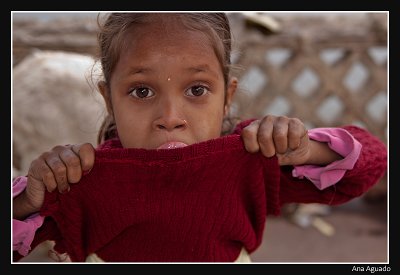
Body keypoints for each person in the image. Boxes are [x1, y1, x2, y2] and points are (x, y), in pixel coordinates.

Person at [12, 13, 387, 263]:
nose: (170, 118)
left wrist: (305, 149)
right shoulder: (84, 177)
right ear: (109, 99)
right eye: (142, 92)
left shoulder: (249, 158)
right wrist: (30, 198)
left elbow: (370, 163)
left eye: (196, 90)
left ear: (227, 97)